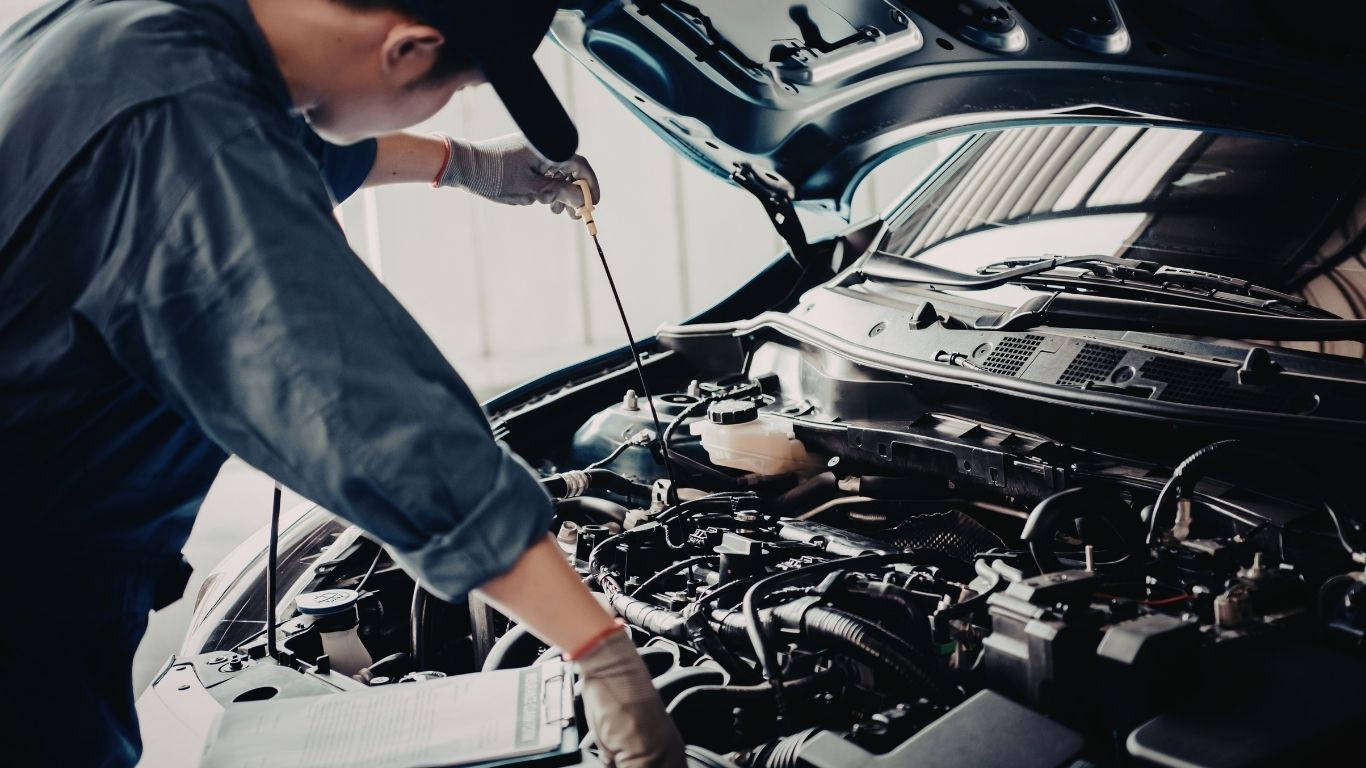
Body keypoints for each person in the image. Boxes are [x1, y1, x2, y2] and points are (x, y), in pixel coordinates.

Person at [0, 0, 686, 766]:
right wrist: (600, 652)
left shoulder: (144, 26)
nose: (451, 104)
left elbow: (272, 143)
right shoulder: (184, 127)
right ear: (408, 48)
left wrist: (463, 163)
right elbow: (364, 413)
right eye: (457, 87)